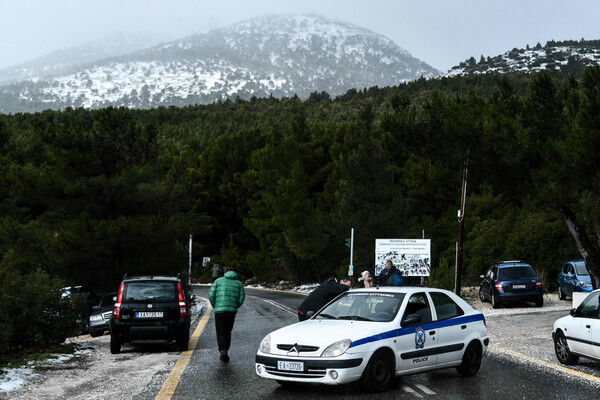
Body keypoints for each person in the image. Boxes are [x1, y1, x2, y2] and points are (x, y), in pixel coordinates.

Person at [208, 267, 245, 362]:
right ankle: (226, 349)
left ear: (224, 273)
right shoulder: (239, 283)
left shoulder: (218, 281)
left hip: (219, 311)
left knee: (220, 332)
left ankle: (223, 351)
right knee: (228, 331)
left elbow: (211, 294)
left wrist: (215, 305)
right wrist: (235, 306)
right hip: (231, 311)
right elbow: (241, 298)